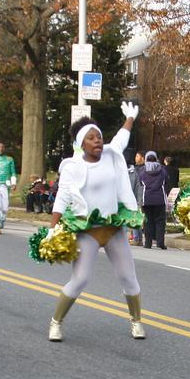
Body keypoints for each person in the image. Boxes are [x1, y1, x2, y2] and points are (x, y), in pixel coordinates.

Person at [45, 103, 144, 342]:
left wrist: (130, 118)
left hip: (113, 229)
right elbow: (62, 198)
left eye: (98, 136)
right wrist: (52, 229)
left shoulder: (111, 154)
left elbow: (121, 138)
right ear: (81, 144)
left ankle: (137, 321)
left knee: (129, 277)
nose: (97, 141)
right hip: (87, 231)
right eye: (91, 138)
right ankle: (56, 323)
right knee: (80, 279)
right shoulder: (73, 167)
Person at [139, 151, 169, 249]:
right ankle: (160, 242)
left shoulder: (143, 171)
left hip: (146, 199)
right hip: (160, 199)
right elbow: (166, 181)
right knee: (160, 221)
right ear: (156, 159)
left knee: (148, 221)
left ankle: (148, 243)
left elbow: (140, 182)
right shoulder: (162, 170)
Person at [127, 152, 145, 245]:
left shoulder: (133, 172)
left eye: (137, 156)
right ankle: (137, 238)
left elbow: (137, 186)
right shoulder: (133, 171)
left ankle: (137, 238)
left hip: (133, 198)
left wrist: (139, 200)